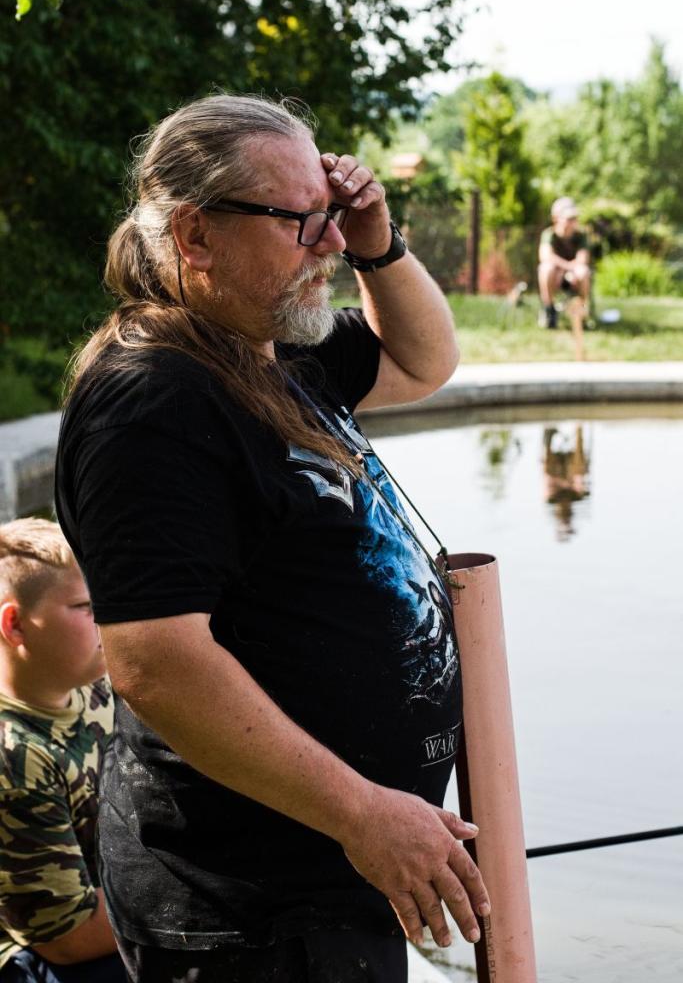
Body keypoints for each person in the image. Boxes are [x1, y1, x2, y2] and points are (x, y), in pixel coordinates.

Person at [55, 94, 490, 983]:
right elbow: (158, 663)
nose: (328, 244)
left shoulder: (275, 347)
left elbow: (424, 361)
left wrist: (378, 242)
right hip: (245, 913)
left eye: (331, 215)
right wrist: (363, 813)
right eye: (300, 221)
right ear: (196, 235)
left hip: (326, 888)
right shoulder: (152, 401)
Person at [0, 518, 125, 983]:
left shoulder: (93, 682)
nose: (108, 615)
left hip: (104, 892)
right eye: (85, 606)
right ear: (15, 625)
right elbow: (68, 940)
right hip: (41, 955)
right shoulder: (15, 755)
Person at [537, 197, 591, 331]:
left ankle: (582, 313)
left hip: (574, 276)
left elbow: (583, 258)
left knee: (583, 271)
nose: (573, 222)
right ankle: (550, 312)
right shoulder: (549, 234)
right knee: (546, 269)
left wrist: (569, 271)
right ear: (556, 218)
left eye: (574, 218)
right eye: (569, 218)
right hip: (555, 276)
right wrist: (564, 269)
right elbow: (545, 256)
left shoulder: (581, 235)